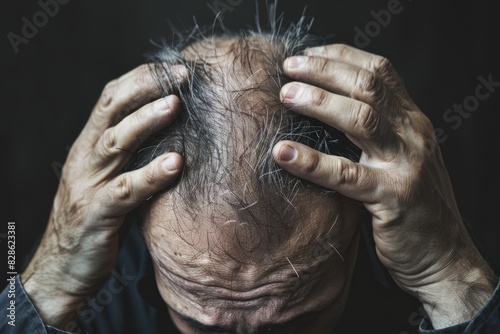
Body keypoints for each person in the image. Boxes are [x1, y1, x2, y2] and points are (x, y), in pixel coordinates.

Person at [1, 10, 499, 334]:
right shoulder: (96, 300)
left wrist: (451, 276)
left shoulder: (421, 263)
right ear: (140, 229)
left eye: (294, 321)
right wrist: (47, 285)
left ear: (363, 220)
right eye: (204, 325)